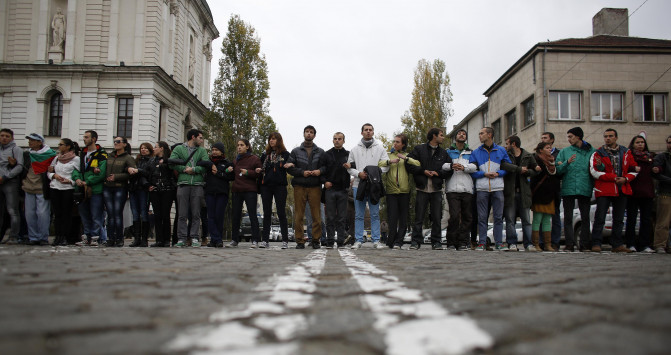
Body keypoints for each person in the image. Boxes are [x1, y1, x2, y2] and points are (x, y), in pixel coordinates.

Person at [589, 128, 637, 253]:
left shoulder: (626, 152)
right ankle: (596, 243)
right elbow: (594, 171)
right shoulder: (598, 153)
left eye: (610, 136)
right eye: (605, 136)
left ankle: (617, 244)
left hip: (622, 188)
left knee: (619, 218)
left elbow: (634, 170)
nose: (608, 138)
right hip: (605, 189)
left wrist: (626, 179)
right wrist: (614, 178)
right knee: (600, 217)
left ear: (616, 137)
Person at [406, 127, 451, 250]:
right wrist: (423, 171)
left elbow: (449, 169)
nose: (443, 137)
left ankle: (436, 242)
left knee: (437, 217)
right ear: (434, 136)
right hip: (422, 188)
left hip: (436, 190)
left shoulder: (443, 153)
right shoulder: (419, 150)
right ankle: (415, 242)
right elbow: (408, 164)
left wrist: (438, 173)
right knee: (419, 217)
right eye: (441, 135)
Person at [347, 123, 389, 249]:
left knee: (375, 214)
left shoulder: (380, 149)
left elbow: (386, 165)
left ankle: (376, 240)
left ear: (373, 132)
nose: (368, 132)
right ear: (362, 133)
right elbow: (349, 168)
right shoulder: (354, 150)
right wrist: (358, 174)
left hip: (374, 185)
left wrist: (375, 173)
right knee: (359, 214)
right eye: (366, 130)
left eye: (370, 130)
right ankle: (358, 240)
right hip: (358, 185)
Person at [470, 127, 512, 251]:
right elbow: (472, 171)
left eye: (481, 133)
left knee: (498, 217)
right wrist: (484, 174)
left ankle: (499, 243)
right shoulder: (476, 152)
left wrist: (499, 173)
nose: (479, 136)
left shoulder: (501, 150)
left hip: (498, 187)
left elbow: (507, 167)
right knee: (482, 217)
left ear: (489, 135)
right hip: (482, 188)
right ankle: (482, 243)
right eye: (479, 133)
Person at [555, 127, 596, 252]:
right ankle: (569, 244)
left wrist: (600, 164)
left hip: (585, 187)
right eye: (568, 137)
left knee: (585, 217)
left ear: (578, 137)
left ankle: (584, 244)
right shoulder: (564, 152)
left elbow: (598, 167)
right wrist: (567, 162)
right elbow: (558, 169)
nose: (568, 139)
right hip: (568, 187)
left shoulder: (591, 151)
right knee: (568, 217)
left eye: (570, 136)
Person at [286, 125, 325, 249]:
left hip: (315, 186)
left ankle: (315, 240)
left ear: (314, 135)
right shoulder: (296, 151)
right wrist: (302, 172)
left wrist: (319, 171)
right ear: (304, 134)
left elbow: (325, 167)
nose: (309, 134)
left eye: (311, 132)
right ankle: (300, 241)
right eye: (307, 132)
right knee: (298, 215)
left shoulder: (320, 151)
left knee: (316, 216)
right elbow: (290, 168)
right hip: (299, 186)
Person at [379, 133, 420, 249]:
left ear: (403, 144)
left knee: (403, 218)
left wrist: (405, 158)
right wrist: (389, 162)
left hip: (404, 191)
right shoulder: (388, 155)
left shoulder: (407, 155)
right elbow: (379, 163)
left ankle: (399, 242)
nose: (395, 143)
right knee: (392, 218)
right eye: (394, 141)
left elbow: (418, 164)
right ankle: (390, 241)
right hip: (391, 191)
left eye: (398, 142)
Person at [170, 129, 209, 248]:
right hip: (183, 183)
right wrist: (183, 169)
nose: (202, 140)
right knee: (182, 214)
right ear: (193, 137)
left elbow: (206, 165)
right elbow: (171, 163)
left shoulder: (202, 150)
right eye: (200, 138)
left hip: (197, 184)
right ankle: (182, 238)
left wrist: (194, 170)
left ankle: (194, 237)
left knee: (196, 213)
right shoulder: (179, 149)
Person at [443, 129, 476, 251]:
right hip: (452, 188)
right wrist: (451, 166)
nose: (461, 135)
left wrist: (464, 167)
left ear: (466, 137)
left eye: (464, 134)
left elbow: (475, 166)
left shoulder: (471, 152)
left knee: (467, 217)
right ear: (455, 137)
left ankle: (463, 242)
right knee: (454, 216)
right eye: (459, 133)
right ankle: (451, 242)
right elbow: (442, 165)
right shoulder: (448, 152)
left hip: (467, 188)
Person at [502, 135, 537, 251]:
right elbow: (504, 165)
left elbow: (535, 170)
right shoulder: (506, 155)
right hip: (510, 192)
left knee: (526, 220)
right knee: (510, 220)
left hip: (524, 193)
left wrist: (527, 172)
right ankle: (512, 243)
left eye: (507, 143)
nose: (506, 146)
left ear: (513, 144)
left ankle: (529, 244)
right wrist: (518, 169)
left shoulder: (528, 155)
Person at [73, 130, 108, 246]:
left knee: (96, 215)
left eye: (87, 137)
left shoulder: (102, 154)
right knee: (84, 215)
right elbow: (76, 169)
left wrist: (87, 181)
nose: (84, 139)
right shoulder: (82, 154)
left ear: (94, 139)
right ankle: (86, 236)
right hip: (82, 190)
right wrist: (77, 179)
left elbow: (101, 173)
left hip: (95, 190)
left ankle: (95, 237)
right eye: (84, 137)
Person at [256, 133, 291, 249]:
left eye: (274, 139)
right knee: (266, 213)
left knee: (281, 212)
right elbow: (261, 168)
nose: (271, 141)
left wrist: (291, 165)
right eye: (270, 139)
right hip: (266, 186)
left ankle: (285, 240)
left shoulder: (285, 154)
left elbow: (291, 168)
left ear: (279, 141)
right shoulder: (265, 155)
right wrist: (259, 170)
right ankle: (265, 240)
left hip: (280, 186)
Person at [226, 139, 262, 248]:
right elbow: (231, 177)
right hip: (237, 190)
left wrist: (248, 172)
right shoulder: (235, 161)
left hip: (250, 190)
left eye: (241, 145)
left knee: (252, 215)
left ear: (247, 146)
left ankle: (255, 240)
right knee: (236, 216)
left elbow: (259, 173)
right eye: (238, 145)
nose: (239, 147)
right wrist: (228, 171)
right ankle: (234, 240)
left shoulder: (254, 159)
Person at [22, 133, 57, 246]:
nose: (30, 142)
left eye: (32, 140)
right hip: (29, 186)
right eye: (29, 140)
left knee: (42, 213)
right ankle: (33, 237)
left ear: (39, 142)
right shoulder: (27, 155)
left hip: (42, 187)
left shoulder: (50, 155)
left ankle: (43, 237)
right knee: (29, 213)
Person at [320, 132, 351, 249]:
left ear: (344, 141)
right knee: (330, 217)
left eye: (340, 139)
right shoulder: (326, 154)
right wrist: (324, 182)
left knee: (342, 217)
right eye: (335, 139)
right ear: (332, 140)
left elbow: (354, 166)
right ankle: (330, 241)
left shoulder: (348, 155)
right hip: (330, 189)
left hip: (343, 190)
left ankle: (341, 241)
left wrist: (351, 164)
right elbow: (321, 170)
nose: (337, 140)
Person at [198, 142, 232, 248]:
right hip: (210, 192)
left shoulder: (227, 163)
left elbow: (231, 176)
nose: (214, 152)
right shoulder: (208, 162)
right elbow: (199, 163)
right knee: (211, 216)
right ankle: (215, 239)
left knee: (219, 216)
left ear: (221, 151)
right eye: (213, 150)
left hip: (222, 193)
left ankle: (217, 238)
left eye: (216, 150)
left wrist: (219, 173)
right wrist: (211, 165)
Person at [103, 137, 136, 247]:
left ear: (124, 144)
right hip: (108, 187)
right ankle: (110, 238)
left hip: (120, 187)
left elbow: (132, 173)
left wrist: (116, 177)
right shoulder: (109, 156)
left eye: (118, 142)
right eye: (115, 142)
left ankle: (119, 238)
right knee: (110, 214)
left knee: (117, 214)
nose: (115, 143)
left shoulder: (128, 158)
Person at [625, 135, 655, 253]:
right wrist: (633, 168)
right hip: (633, 192)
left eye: (642, 142)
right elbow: (625, 168)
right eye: (637, 142)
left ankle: (645, 244)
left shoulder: (650, 157)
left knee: (646, 220)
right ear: (633, 144)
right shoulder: (630, 156)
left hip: (647, 192)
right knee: (631, 219)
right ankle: (630, 243)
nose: (640, 144)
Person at [47, 138, 80, 246]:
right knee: (57, 214)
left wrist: (70, 181)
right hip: (55, 187)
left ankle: (65, 236)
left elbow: (78, 175)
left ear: (68, 146)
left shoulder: (75, 159)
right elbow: (49, 171)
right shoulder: (57, 158)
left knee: (66, 213)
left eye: (61, 144)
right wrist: (53, 175)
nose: (59, 146)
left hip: (67, 188)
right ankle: (58, 236)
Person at [530, 142, 560, 252]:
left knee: (547, 220)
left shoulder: (551, 161)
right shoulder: (536, 160)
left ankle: (548, 244)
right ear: (541, 150)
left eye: (550, 148)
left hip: (550, 194)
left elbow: (555, 175)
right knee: (537, 219)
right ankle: (536, 243)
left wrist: (554, 164)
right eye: (547, 148)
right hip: (539, 194)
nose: (550, 150)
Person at [147, 141, 175, 247]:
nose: (154, 149)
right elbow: (147, 173)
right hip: (155, 190)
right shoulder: (152, 161)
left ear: (162, 148)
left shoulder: (169, 160)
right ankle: (159, 240)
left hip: (167, 190)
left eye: (156, 147)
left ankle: (167, 239)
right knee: (157, 215)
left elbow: (172, 172)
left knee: (165, 215)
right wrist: (148, 185)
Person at [0, 128, 25, 244]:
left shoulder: (16, 149)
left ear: (12, 138)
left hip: (9, 182)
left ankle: (14, 236)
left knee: (12, 210)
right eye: (2, 136)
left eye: (7, 136)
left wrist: (6, 176)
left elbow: (19, 166)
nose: (4, 138)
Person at [127, 143, 154, 247]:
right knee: (135, 213)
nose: (143, 150)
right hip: (134, 188)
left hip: (143, 189)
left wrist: (138, 171)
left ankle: (144, 239)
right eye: (142, 148)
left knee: (144, 212)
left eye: (145, 148)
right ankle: (137, 238)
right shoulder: (136, 160)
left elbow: (149, 173)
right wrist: (130, 170)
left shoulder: (151, 160)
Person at [540, 132, 562, 250]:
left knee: (555, 215)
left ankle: (555, 242)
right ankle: (541, 241)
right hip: (541, 190)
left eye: (546, 138)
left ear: (552, 140)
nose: (543, 140)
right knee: (541, 216)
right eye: (542, 138)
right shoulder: (537, 155)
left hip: (554, 188)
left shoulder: (559, 154)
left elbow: (560, 170)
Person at [652, 135, 671, 253]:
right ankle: (660, 244)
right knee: (663, 221)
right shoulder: (662, 157)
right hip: (666, 192)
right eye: (669, 142)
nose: (670, 145)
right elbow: (655, 173)